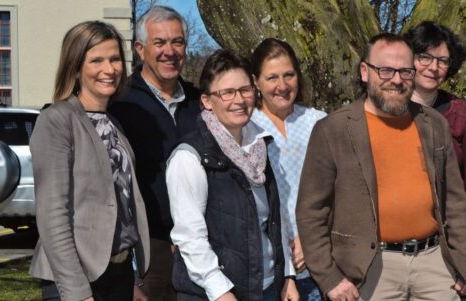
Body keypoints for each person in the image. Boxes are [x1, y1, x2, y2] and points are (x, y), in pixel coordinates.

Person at [296, 33, 466, 301]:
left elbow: (455, 199)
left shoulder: (433, 124)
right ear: (364, 71)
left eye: (405, 71)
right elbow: (311, 211)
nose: (396, 80)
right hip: (369, 269)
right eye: (385, 70)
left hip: (435, 265)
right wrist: (329, 277)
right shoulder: (333, 129)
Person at [29, 21, 150, 301]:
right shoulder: (57, 120)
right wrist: (77, 292)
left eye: (115, 59)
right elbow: (52, 215)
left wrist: (130, 279)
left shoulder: (113, 123)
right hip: (76, 280)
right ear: (75, 66)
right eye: (96, 60)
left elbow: (121, 205)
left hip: (117, 275)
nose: (109, 69)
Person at [166, 49, 287, 301]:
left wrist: (287, 276)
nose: (239, 100)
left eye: (245, 90)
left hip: (265, 287)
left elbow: (276, 220)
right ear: (207, 101)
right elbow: (189, 236)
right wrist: (219, 289)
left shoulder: (261, 145)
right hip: (216, 294)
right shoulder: (190, 157)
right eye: (227, 93)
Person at [108, 6, 201, 300]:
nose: (169, 51)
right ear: (140, 49)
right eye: (159, 43)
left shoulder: (201, 104)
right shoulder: (120, 104)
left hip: (200, 245)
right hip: (148, 249)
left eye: (177, 42)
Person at [402, 21, 466, 289]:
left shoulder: (460, 111)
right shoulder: (387, 110)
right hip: (393, 245)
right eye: (424, 57)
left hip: (447, 242)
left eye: (442, 60)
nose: (433, 67)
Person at [249, 38, 326, 301]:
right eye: (272, 77)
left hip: (317, 258)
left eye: (289, 75)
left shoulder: (318, 122)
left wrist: (308, 239)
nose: (282, 86)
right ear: (256, 81)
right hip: (269, 265)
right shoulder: (246, 127)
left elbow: (336, 189)